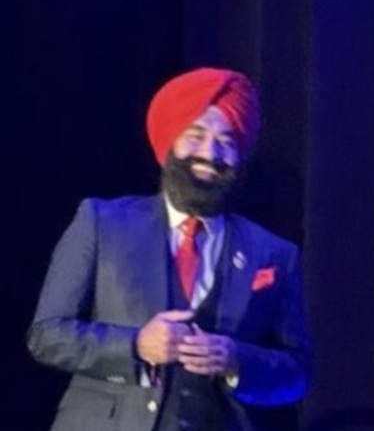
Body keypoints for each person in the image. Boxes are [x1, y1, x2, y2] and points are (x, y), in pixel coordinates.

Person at [28, 68, 312, 430]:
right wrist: (136, 346)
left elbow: (298, 375)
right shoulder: (102, 223)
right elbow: (47, 335)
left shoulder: (273, 253)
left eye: (226, 141)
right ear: (169, 143)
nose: (210, 153)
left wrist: (236, 360)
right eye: (196, 135)